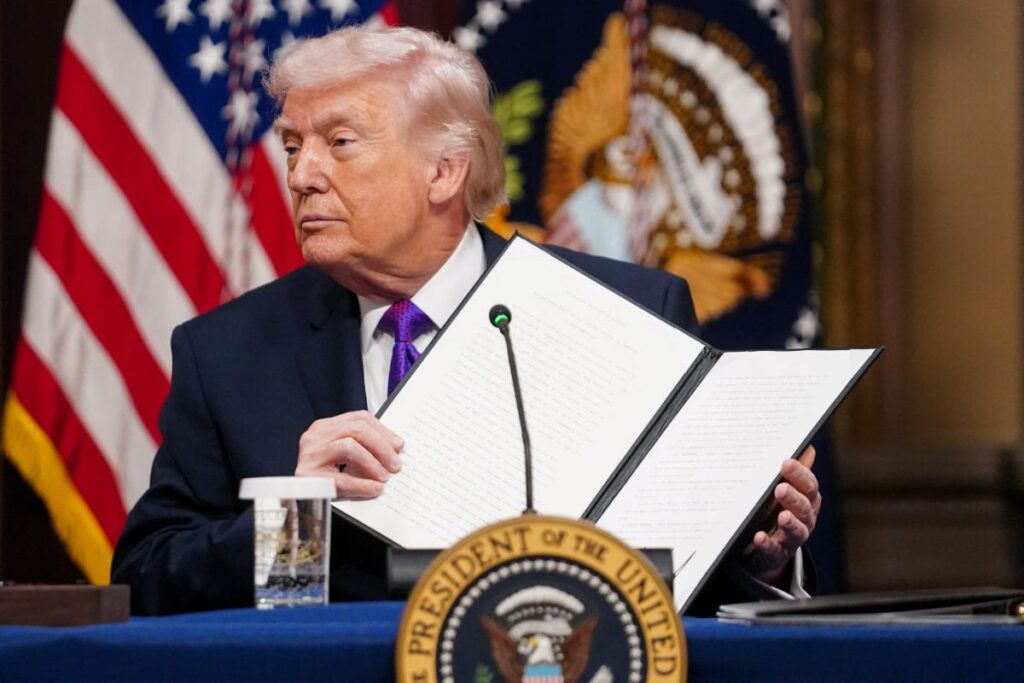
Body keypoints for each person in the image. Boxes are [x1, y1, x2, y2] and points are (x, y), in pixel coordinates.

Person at [111, 25, 821, 616]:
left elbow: (685, 575)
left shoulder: (629, 313)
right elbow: (144, 577)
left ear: (445, 171)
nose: (300, 176)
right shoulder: (228, 352)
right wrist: (296, 521)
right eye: (293, 145)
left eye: (340, 142)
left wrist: (761, 555)